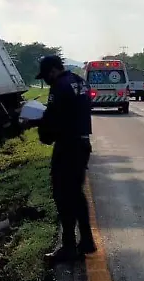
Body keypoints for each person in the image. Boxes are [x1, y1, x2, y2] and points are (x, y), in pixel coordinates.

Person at [31, 54, 96, 263]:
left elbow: (53, 118)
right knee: (76, 193)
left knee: (63, 195)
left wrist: (37, 127)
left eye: (45, 76)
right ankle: (86, 241)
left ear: (52, 70)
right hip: (83, 142)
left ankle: (68, 246)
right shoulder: (80, 82)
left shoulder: (59, 86)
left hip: (68, 145)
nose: (45, 80)